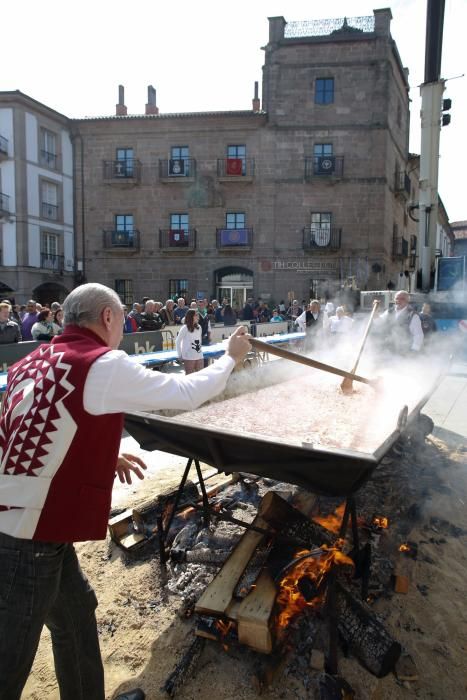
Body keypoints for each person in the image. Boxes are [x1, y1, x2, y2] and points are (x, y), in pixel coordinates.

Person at [0, 282, 250, 700]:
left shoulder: (31, 360)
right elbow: (185, 394)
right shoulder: (101, 362)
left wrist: (98, 455)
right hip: (28, 535)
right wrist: (229, 359)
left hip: (28, 521)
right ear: (109, 318)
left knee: (77, 616)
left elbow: (20, 432)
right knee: (9, 662)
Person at [175, 308, 204, 374]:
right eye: (196, 315)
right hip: (188, 356)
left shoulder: (199, 327)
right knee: (189, 377)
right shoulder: (185, 328)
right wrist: (179, 355)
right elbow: (178, 341)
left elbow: (200, 341)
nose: (198, 317)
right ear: (191, 316)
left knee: (201, 376)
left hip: (199, 355)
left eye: (198, 315)